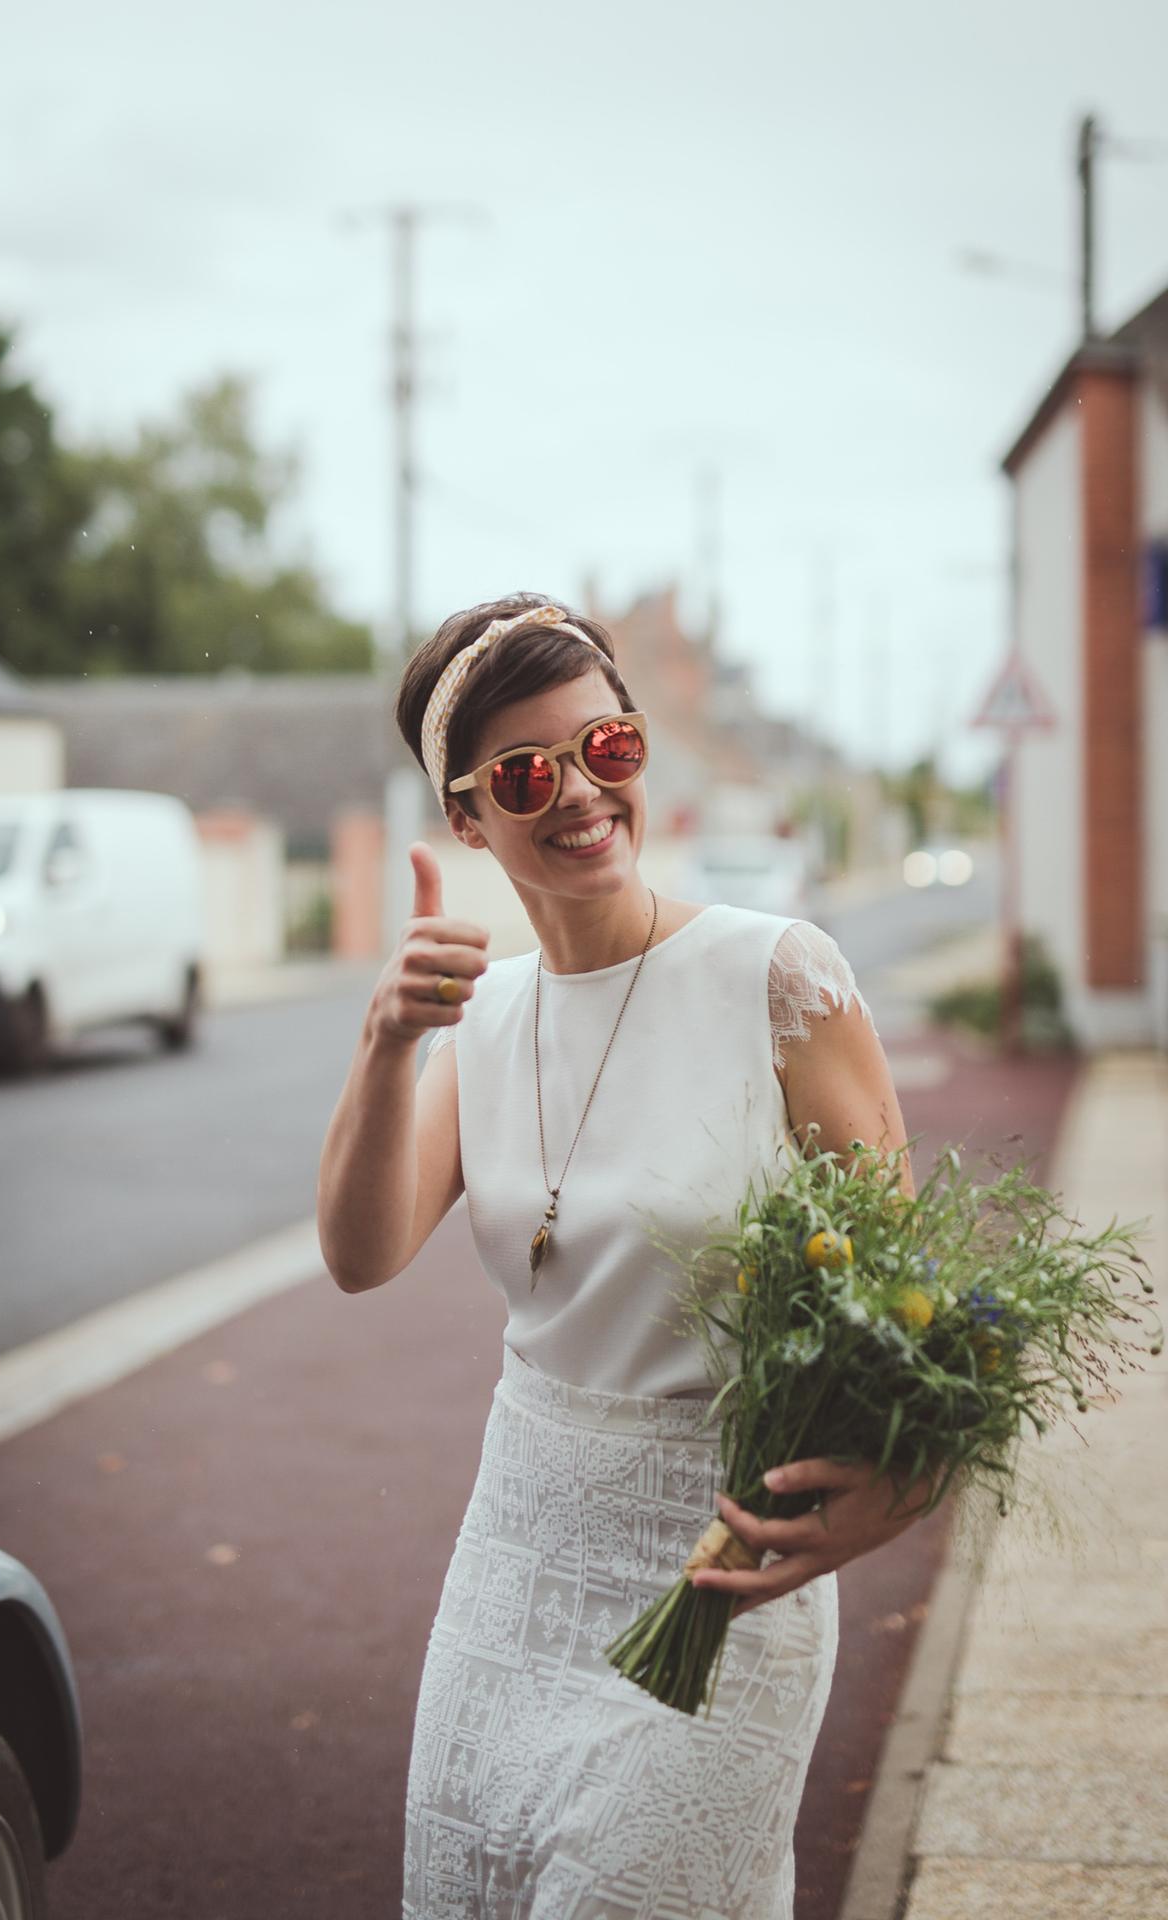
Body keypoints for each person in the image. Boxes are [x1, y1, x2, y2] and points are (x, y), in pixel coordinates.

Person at [316, 593, 927, 1920]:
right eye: (530, 774)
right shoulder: (483, 1019)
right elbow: (362, 1254)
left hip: (722, 1575)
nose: (583, 793)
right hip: (514, 1563)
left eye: (610, 749)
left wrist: (900, 1490)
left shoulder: (779, 977)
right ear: (468, 819)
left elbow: (911, 1305)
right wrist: (386, 1045)